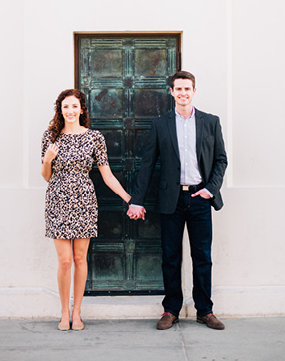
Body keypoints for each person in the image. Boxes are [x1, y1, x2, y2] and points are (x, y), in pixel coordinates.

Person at [126, 71, 228, 331]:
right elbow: (148, 163)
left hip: (200, 199)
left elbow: (220, 160)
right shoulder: (161, 124)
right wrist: (136, 200)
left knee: (202, 256)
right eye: (178, 89)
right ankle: (171, 309)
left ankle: (204, 310)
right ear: (171, 92)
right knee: (170, 256)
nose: (183, 93)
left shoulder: (210, 122)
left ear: (194, 91)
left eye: (187, 89)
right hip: (171, 200)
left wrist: (210, 189)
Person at [41, 89, 131, 331]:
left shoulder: (94, 137)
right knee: (65, 261)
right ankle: (63, 312)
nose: (70, 111)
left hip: (84, 199)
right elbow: (46, 177)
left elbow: (107, 174)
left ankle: (77, 312)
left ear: (82, 109)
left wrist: (127, 197)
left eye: (74, 106)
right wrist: (48, 159)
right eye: (65, 107)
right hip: (57, 199)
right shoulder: (50, 137)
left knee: (80, 258)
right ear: (60, 110)